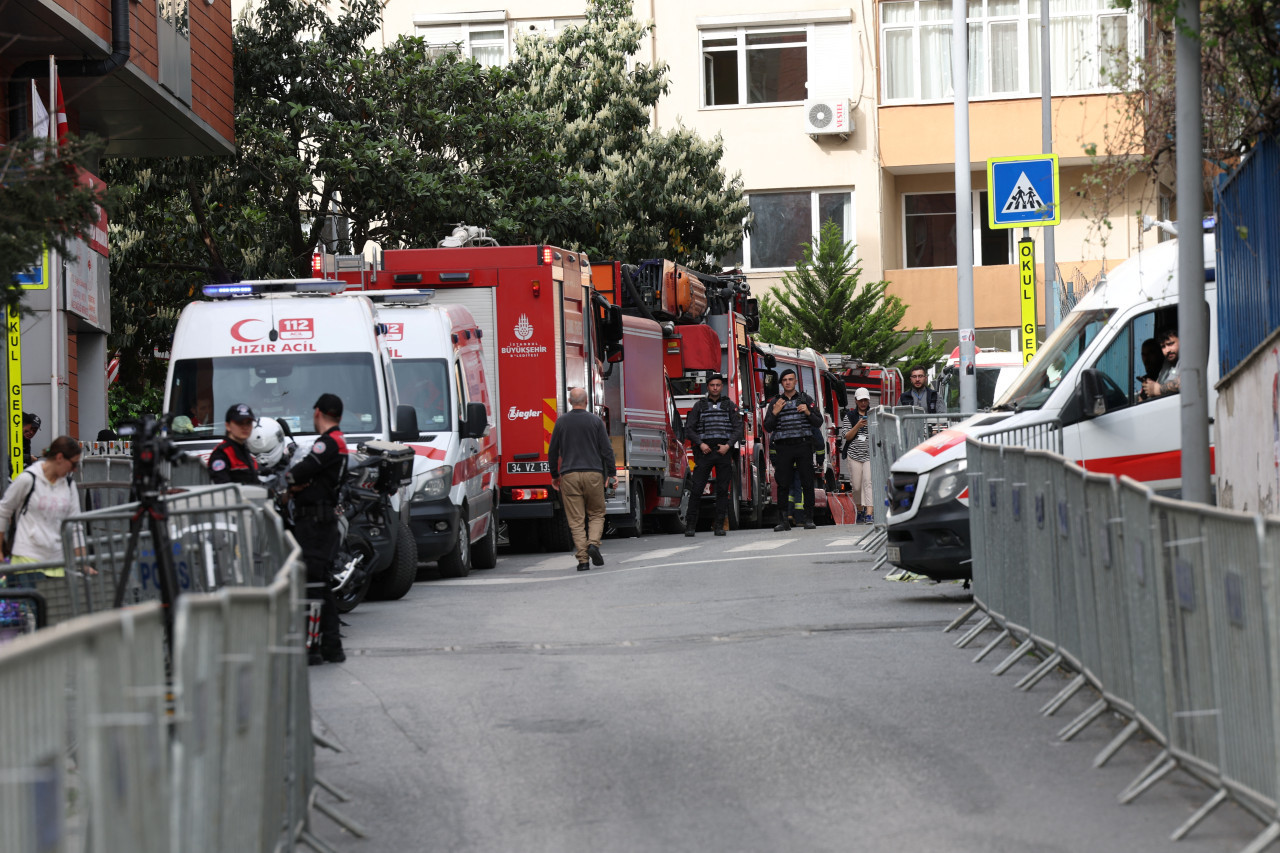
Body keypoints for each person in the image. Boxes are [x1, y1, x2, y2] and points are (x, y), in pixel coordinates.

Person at [287, 394, 348, 665]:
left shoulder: (328, 443)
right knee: (321, 585)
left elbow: (300, 471)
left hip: (314, 524)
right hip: (321, 522)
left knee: (313, 586)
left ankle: (313, 648)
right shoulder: (339, 441)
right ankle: (331, 646)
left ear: (317, 412)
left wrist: (289, 483)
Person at [0, 436, 88, 586]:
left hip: (58, 560)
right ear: (59, 457)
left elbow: (75, 525)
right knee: (35, 607)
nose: (74, 469)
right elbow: (4, 510)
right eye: (73, 464)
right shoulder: (28, 479)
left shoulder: (68, 484)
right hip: (28, 558)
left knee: (54, 609)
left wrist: (84, 564)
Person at [547, 387, 617, 571]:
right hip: (593, 474)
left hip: (569, 475)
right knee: (596, 514)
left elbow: (552, 451)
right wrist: (612, 473)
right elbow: (606, 449)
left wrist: (555, 475)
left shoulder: (561, 422)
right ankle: (593, 544)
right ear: (586, 402)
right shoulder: (595, 421)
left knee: (576, 520)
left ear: (570, 402)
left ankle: (583, 560)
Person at [683, 373, 743, 537]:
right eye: (712, 385)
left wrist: (728, 445)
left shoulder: (729, 405)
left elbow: (738, 428)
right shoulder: (699, 406)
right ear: (708, 387)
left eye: (718, 385)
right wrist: (701, 444)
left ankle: (719, 526)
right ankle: (690, 526)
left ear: (721, 387)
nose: (715, 388)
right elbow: (689, 428)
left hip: (723, 451)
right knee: (696, 489)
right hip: (705, 452)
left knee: (723, 490)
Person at [763, 368, 822, 532]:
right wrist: (774, 413)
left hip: (803, 445)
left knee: (807, 482)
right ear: (781, 383)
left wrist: (808, 411)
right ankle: (783, 521)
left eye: (791, 379)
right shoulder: (775, 402)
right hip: (783, 447)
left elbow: (818, 422)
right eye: (785, 380)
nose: (788, 382)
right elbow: (767, 427)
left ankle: (808, 518)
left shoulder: (805, 399)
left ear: (796, 381)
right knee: (783, 484)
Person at [840, 388, 875, 524]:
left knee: (869, 482)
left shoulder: (874, 414)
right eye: (860, 400)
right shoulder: (849, 416)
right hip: (854, 455)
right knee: (856, 486)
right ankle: (860, 510)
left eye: (865, 400)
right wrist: (858, 425)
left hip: (870, 455)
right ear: (855, 401)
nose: (863, 403)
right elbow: (847, 436)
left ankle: (869, 514)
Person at [209, 403, 261, 485]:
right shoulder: (221, 454)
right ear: (228, 426)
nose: (245, 427)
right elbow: (223, 488)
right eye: (240, 423)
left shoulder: (245, 449)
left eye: (248, 423)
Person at [1142, 328, 1181, 398]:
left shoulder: (1189, 358)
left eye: (1170, 344)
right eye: (1163, 346)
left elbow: (1188, 380)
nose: (1167, 350)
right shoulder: (1167, 362)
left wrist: (1159, 389)